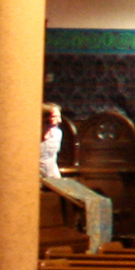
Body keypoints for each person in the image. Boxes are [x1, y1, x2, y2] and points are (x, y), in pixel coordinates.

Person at [39, 104, 113, 252]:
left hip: (52, 176)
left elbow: (51, 159)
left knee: (94, 200)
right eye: (53, 116)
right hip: (35, 176)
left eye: (58, 116)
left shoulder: (57, 134)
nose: (57, 120)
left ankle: (96, 245)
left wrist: (55, 178)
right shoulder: (29, 133)